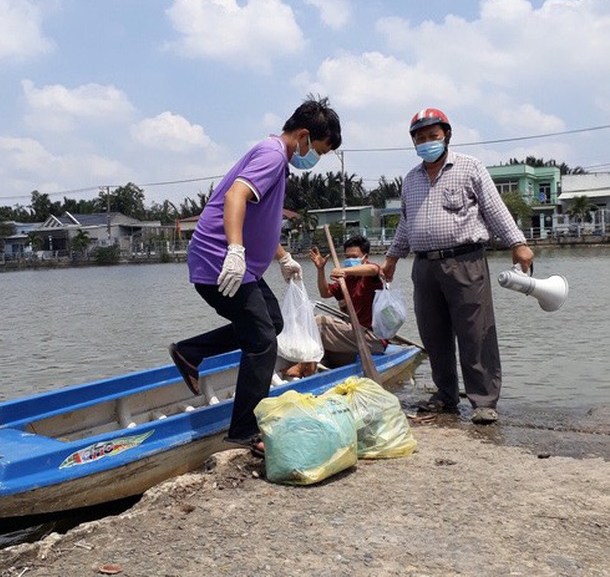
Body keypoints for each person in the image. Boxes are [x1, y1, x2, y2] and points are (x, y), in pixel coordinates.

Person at [169, 96, 342, 456]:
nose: (316, 159)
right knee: (262, 340)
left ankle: (190, 352)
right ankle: (245, 430)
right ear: (305, 136)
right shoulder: (273, 154)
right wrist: (234, 251)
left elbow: (261, 220)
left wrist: (282, 257)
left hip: (241, 267)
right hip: (222, 263)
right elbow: (236, 196)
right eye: (320, 151)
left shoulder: (277, 161)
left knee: (272, 322)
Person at [381, 108, 534, 425]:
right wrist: (393, 258)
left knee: (475, 332)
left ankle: (483, 400)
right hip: (424, 267)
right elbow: (405, 224)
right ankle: (445, 396)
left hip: (465, 261)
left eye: (432, 136)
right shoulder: (410, 179)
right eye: (420, 138)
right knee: (433, 333)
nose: (426, 142)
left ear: (446, 135)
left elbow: (495, 209)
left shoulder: (469, 168)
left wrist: (517, 243)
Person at [284, 235, 385, 378]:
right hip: (354, 333)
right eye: (347, 257)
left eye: (354, 256)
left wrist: (345, 271)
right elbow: (325, 293)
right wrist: (320, 270)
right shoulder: (347, 280)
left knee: (319, 323)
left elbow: (373, 269)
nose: (350, 260)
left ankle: (303, 366)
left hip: (372, 338)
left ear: (365, 257)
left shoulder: (370, 276)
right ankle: (306, 363)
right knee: (309, 320)